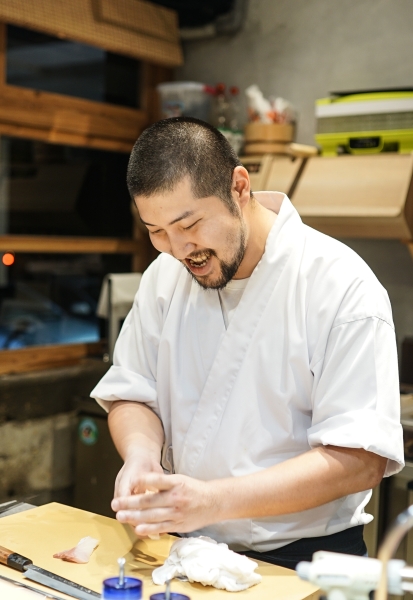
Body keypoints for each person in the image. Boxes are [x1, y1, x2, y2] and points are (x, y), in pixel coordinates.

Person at [91, 117, 404, 569]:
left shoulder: (341, 286)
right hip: (185, 551)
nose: (179, 250)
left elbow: (359, 458)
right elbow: (132, 390)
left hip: (302, 561)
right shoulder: (164, 277)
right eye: (156, 231)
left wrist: (213, 501)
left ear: (239, 186)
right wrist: (141, 459)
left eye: (190, 224)